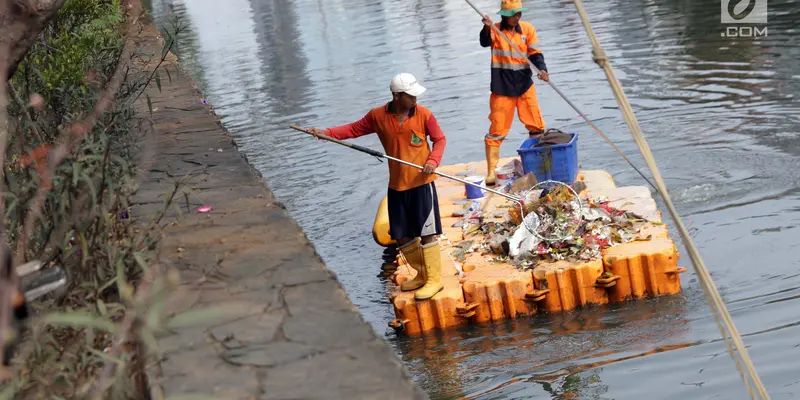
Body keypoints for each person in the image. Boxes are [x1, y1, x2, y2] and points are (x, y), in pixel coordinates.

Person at [310, 73, 447, 301]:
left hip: (422, 183)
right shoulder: (378, 116)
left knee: (428, 234)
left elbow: (440, 140)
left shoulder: (424, 115)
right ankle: (423, 274)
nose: (415, 99)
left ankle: (435, 281)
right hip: (397, 185)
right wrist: (326, 134)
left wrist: (432, 161)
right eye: (410, 96)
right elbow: (353, 130)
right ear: (397, 96)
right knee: (402, 236)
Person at [479, 0, 550, 185]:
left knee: (536, 125)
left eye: (518, 14)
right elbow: (484, 42)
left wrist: (542, 70)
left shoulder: (527, 29)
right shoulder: (494, 29)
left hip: (525, 84)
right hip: (502, 87)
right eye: (512, 14)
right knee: (497, 130)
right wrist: (486, 28)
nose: (516, 17)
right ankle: (491, 171)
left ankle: (538, 167)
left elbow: (535, 53)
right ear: (503, 15)